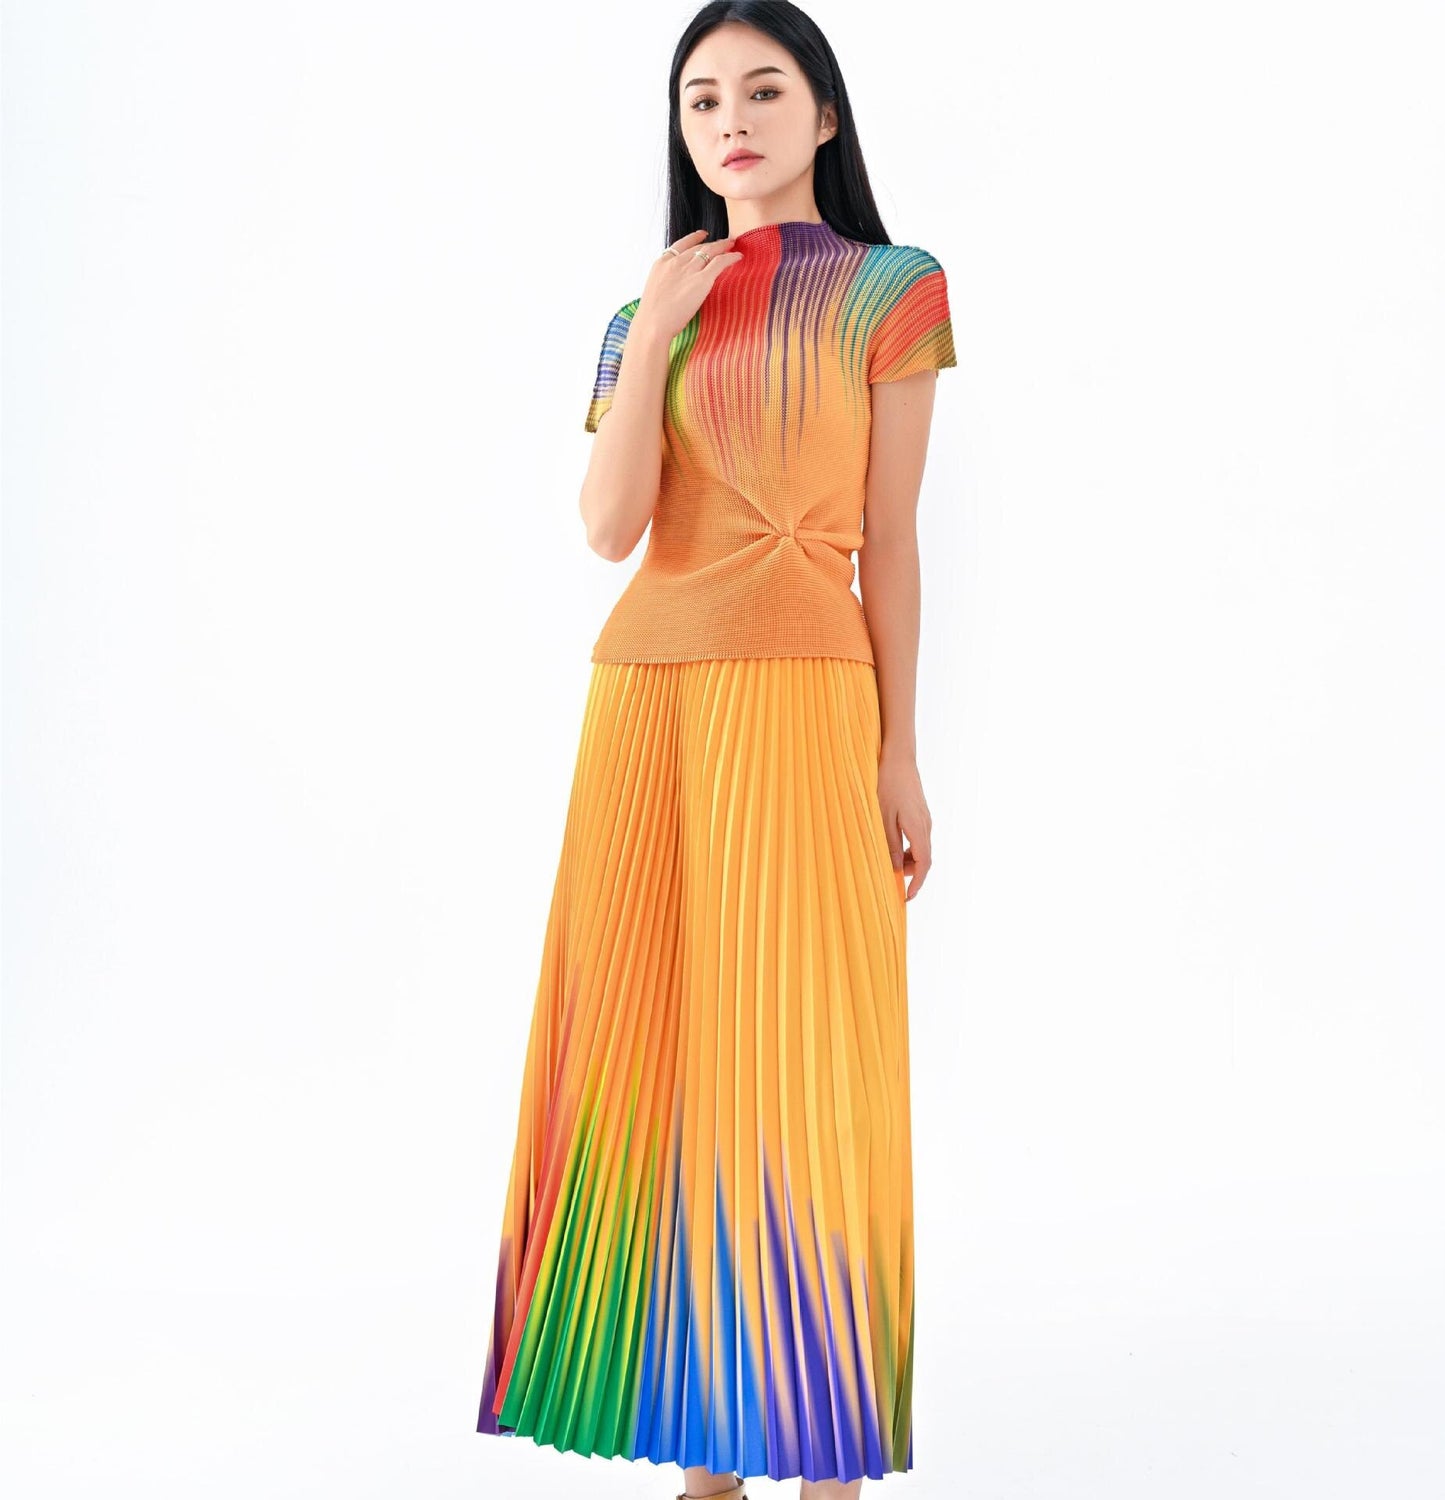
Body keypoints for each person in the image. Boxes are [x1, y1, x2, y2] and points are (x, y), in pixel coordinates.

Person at [475, 4, 955, 1498]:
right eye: (701, 100)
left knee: (805, 1051)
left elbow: (891, 540)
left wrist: (899, 753)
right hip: (644, 699)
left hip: (805, 694)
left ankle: (819, 1453)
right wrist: (659, 324)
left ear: (824, 115)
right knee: (663, 1052)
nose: (729, 120)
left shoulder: (890, 287)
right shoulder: (647, 308)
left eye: (762, 90)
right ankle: (706, 1458)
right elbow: (609, 527)